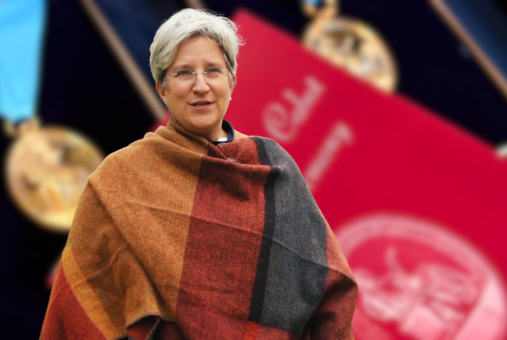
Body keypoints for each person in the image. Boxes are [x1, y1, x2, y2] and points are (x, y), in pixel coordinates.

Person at [40, 9, 357, 340]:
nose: (201, 86)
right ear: (161, 87)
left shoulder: (272, 164)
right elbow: (78, 307)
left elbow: (331, 286)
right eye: (184, 73)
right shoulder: (118, 181)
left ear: (232, 80)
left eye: (213, 71)